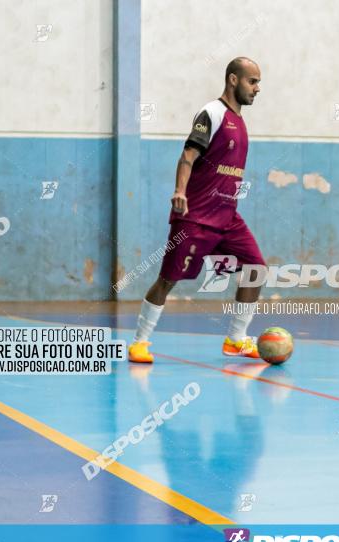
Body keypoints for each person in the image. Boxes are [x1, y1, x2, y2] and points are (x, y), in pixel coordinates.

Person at [128, 57, 265, 363]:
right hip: (197, 217)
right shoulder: (212, 114)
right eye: (252, 81)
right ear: (233, 79)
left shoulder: (241, 123)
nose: (257, 89)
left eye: (258, 82)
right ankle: (140, 342)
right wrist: (179, 191)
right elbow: (188, 155)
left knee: (256, 270)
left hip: (228, 218)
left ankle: (236, 340)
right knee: (168, 279)